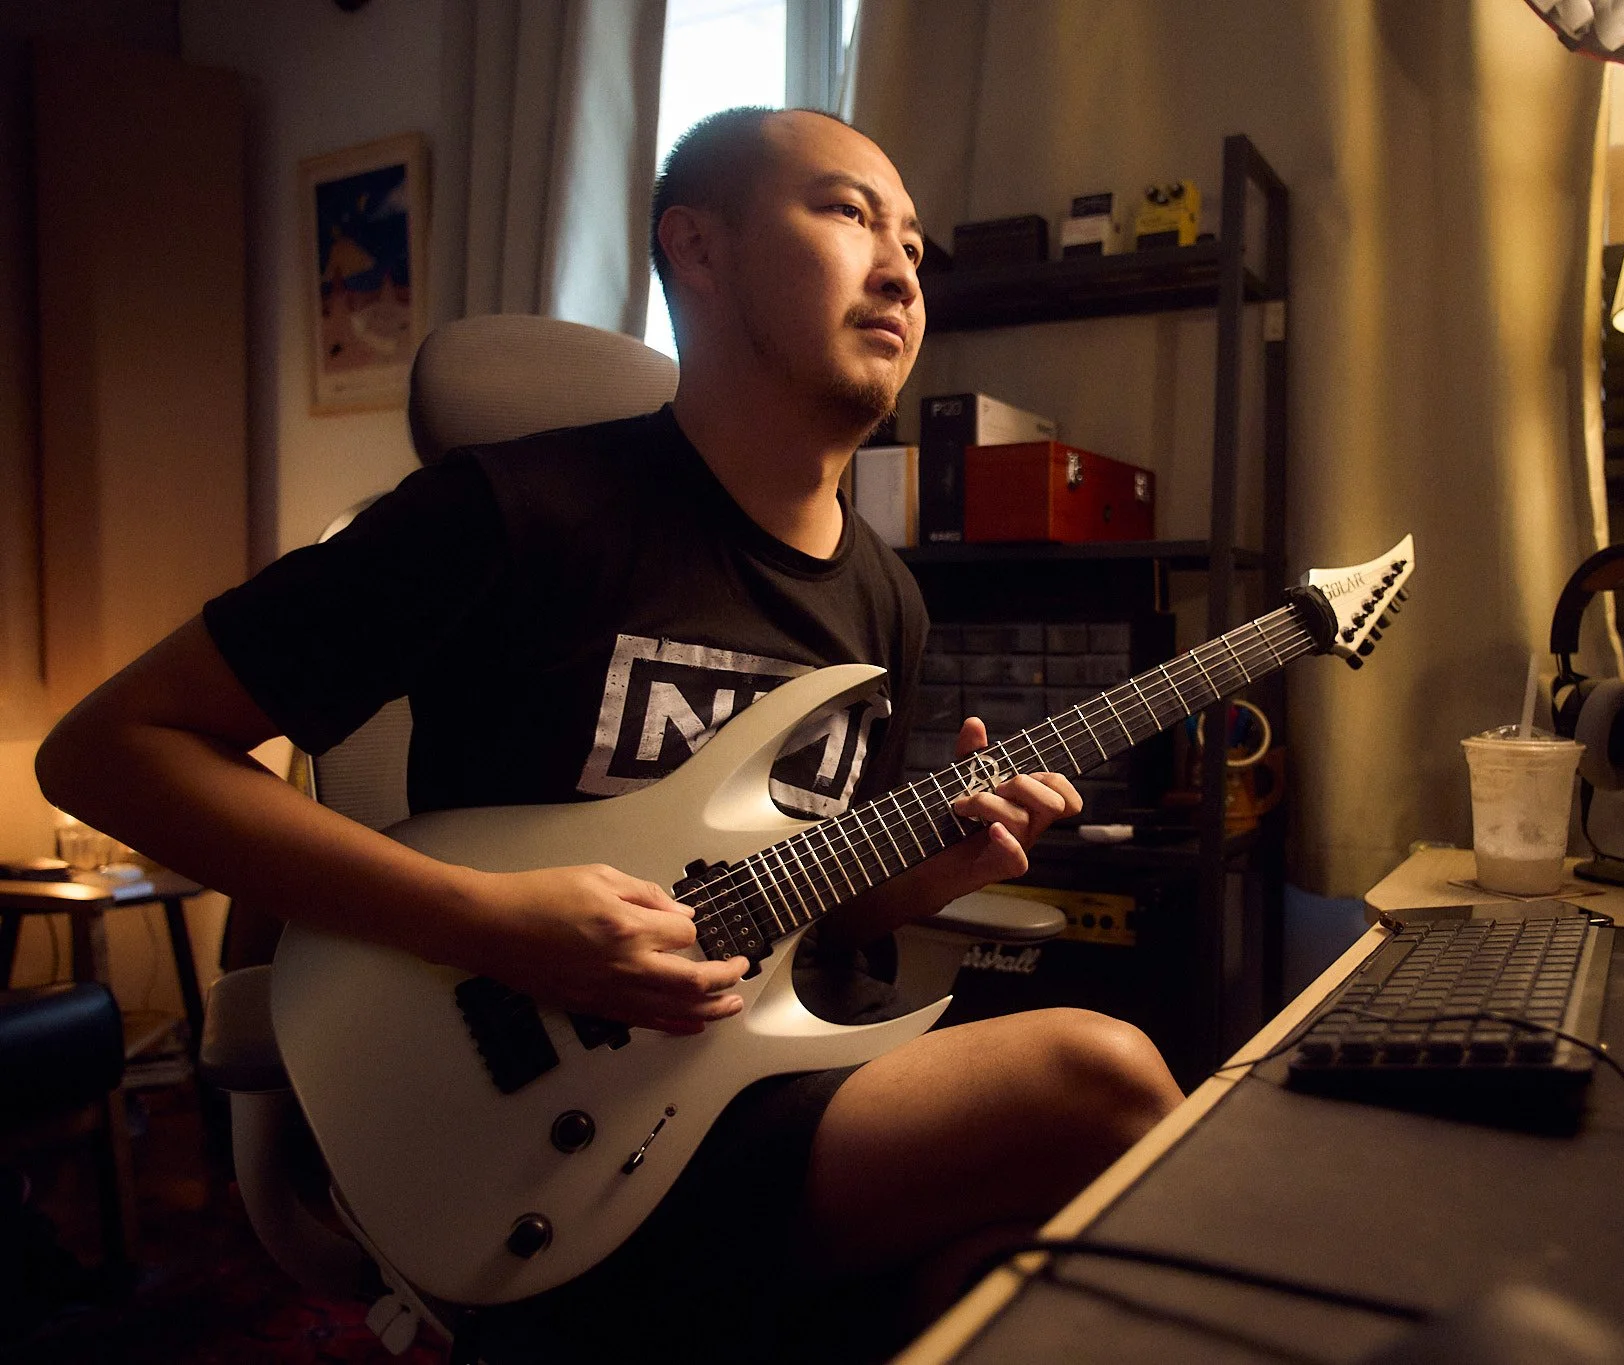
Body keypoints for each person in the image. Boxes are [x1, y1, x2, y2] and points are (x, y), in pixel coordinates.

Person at [36, 106, 1183, 1361]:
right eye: (850, 213)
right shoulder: (513, 514)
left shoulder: (884, 597)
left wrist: (920, 873)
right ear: (696, 248)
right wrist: (488, 925)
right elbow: (108, 748)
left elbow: (803, 909)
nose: (904, 268)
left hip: (785, 1082)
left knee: (1015, 1279)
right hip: (570, 1132)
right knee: (1102, 1078)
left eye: (913, 240)